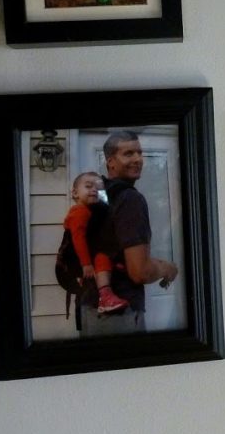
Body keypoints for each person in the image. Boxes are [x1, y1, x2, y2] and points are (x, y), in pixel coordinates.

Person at [80, 130, 178, 335]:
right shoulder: (130, 200)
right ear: (110, 162)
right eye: (128, 154)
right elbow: (139, 272)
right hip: (118, 315)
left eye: (139, 153)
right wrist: (166, 268)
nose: (138, 159)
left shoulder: (96, 197)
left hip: (89, 306)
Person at [63, 171, 129, 316]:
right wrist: (85, 264)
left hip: (84, 257)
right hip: (78, 259)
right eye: (88, 186)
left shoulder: (91, 212)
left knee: (104, 254)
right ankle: (105, 297)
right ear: (75, 193)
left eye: (98, 188)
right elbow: (78, 238)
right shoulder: (79, 212)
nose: (94, 190)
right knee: (102, 256)